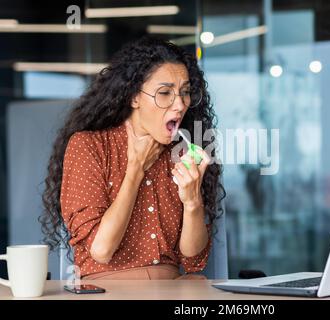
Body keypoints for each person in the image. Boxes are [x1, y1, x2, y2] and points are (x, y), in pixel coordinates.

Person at [39, 36, 225, 280]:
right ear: (134, 97)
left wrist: (192, 201)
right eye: (165, 92)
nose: (180, 104)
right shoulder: (89, 146)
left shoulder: (182, 154)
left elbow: (193, 261)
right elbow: (101, 250)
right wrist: (135, 169)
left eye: (185, 92)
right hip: (107, 292)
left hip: (172, 290)